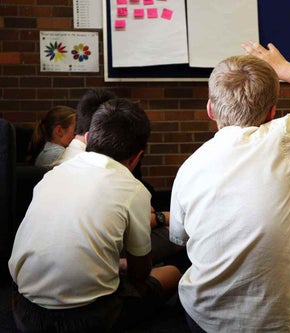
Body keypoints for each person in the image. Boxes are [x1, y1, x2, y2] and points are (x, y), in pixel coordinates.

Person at [168, 41, 290, 332]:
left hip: (206, 321)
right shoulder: (283, 137)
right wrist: (282, 68)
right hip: (288, 322)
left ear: (210, 110)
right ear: (272, 113)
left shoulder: (188, 168)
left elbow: (180, 237)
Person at [9, 98, 182, 333]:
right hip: (87, 318)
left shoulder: (53, 174)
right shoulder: (133, 189)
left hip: (23, 311)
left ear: (87, 138)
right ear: (137, 157)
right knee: (171, 273)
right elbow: (140, 272)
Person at [52, 88, 183, 266]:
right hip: (88, 266)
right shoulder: (110, 174)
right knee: (178, 239)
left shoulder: (58, 170)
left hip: (30, 280)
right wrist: (161, 217)